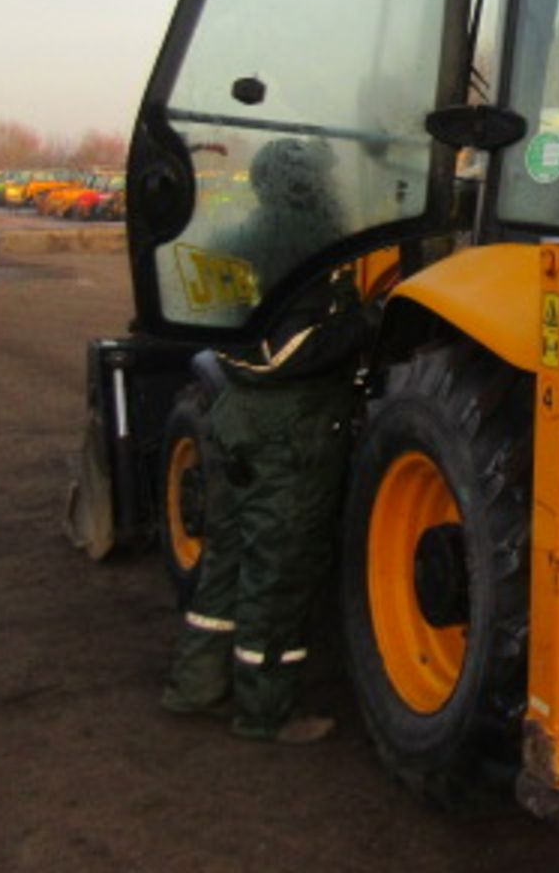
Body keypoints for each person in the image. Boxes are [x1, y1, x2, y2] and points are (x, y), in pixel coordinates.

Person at [161, 138, 371, 744]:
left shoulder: (237, 240)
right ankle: (265, 712)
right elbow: (280, 353)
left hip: (234, 419)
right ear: (303, 185)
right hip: (289, 428)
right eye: (322, 178)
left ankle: (194, 686)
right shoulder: (301, 248)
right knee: (277, 570)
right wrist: (363, 325)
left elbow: (230, 338)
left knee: (225, 559)